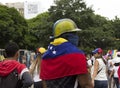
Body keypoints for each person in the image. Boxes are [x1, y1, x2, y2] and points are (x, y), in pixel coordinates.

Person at [40, 18, 93, 88]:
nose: (76, 37)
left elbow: (44, 84)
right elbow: (86, 85)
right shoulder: (76, 55)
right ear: (66, 36)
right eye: (74, 34)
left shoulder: (45, 57)